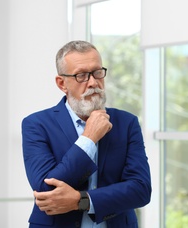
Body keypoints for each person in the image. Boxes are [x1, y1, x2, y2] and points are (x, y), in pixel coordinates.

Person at [22, 40, 151, 228]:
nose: (93, 82)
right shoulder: (36, 124)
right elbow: (47, 190)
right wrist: (89, 138)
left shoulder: (127, 123)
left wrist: (81, 200)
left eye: (97, 72)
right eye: (81, 75)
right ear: (61, 83)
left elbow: (140, 189)